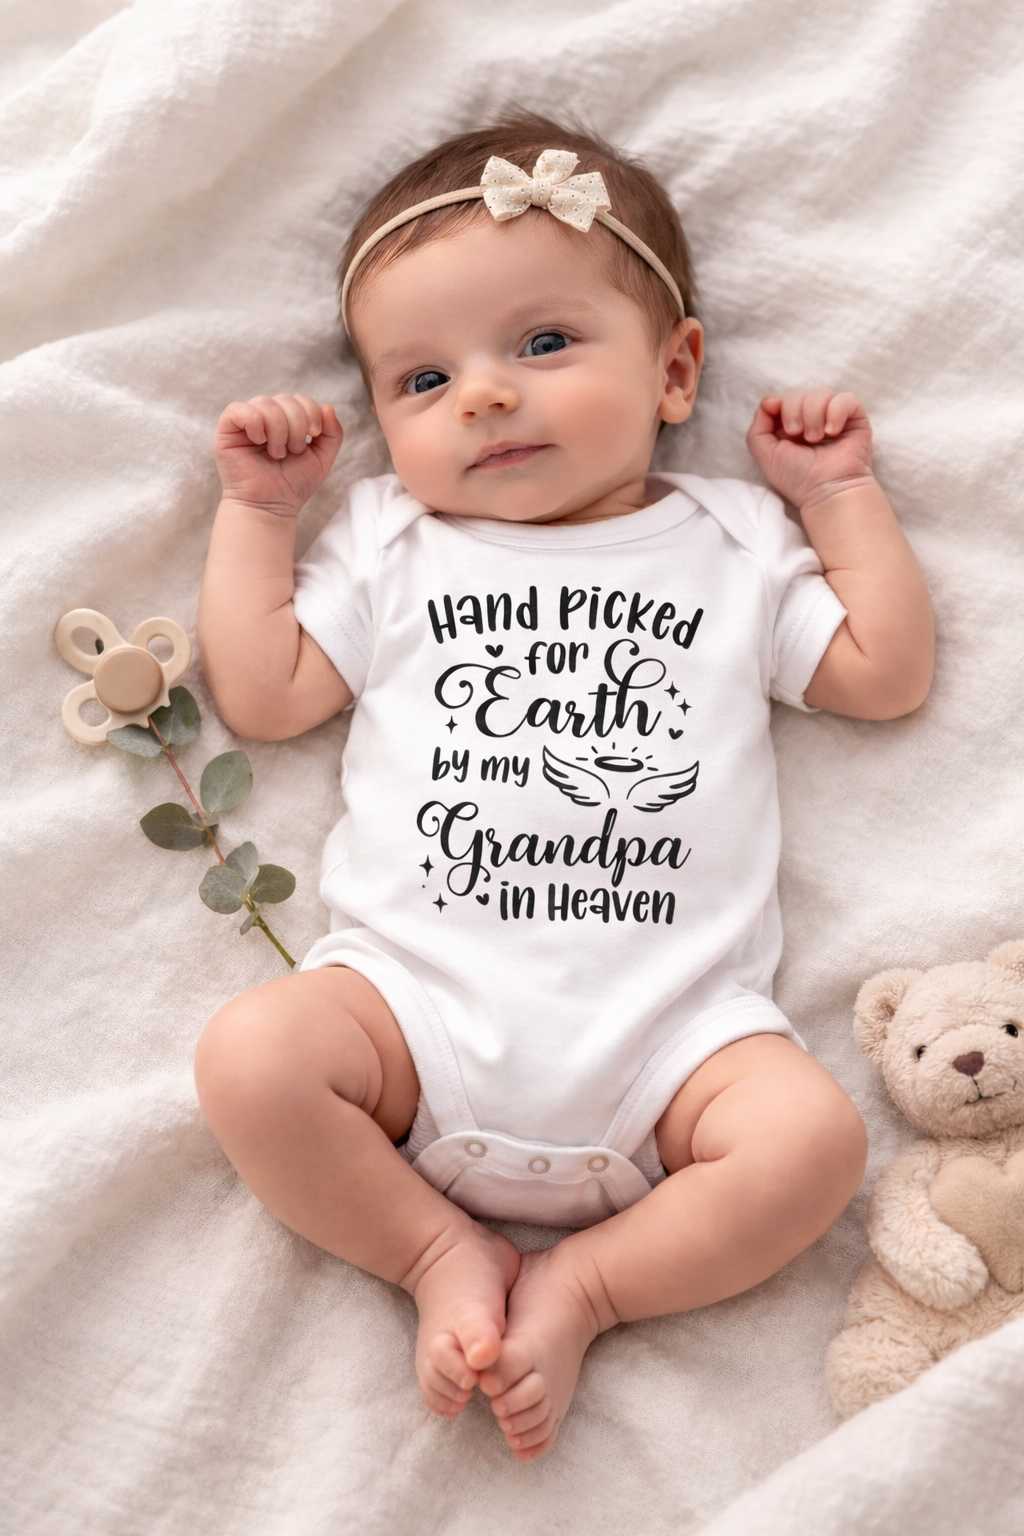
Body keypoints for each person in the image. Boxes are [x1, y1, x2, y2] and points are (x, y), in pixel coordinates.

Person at [193, 113, 934, 1461]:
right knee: (251, 1056)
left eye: (541, 344)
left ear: (675, 371)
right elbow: (267, 693)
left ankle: (588, 1288)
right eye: (420, 381)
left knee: (813, 1147)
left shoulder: (730, 540)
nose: (481, 394)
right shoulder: (393, 538)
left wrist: (837, 498)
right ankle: (435, 1255)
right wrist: (260, 518)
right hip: (413, 1016)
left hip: (676, 1044)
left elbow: (882, 673)